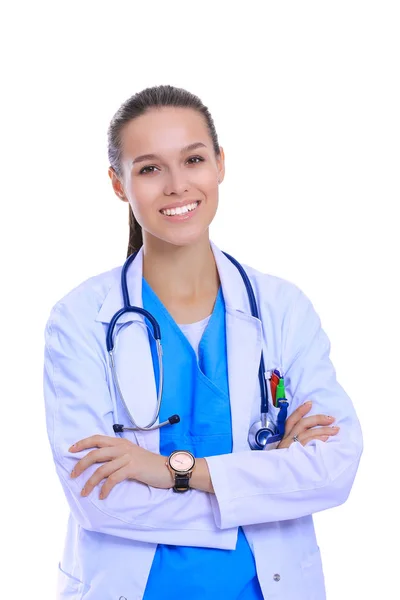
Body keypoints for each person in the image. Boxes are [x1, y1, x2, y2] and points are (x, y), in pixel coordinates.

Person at [43, 84, 363, 600]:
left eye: (192, 159)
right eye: (149, 168)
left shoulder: (281, 308)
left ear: (219, 164)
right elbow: (99, 500)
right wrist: (266, 478)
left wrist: (170, 471)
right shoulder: (80, 319)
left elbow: (334, 468)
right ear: (118, 185)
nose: (176, 185)